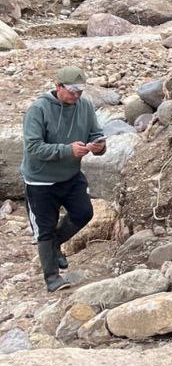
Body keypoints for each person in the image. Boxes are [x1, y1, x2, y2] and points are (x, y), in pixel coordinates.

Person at [21, 65, 106, 292]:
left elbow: (95, 133)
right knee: (44, 230)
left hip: (70, 176)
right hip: (40, 181)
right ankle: (52, 279)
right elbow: (33, 147)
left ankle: (56, 245)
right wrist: (66, 151)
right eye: (72, 91)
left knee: (84, 213)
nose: (77, 96)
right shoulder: (38, 109)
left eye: (80, 91)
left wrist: (99, 146)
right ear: (58, 87)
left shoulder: (84, 105)